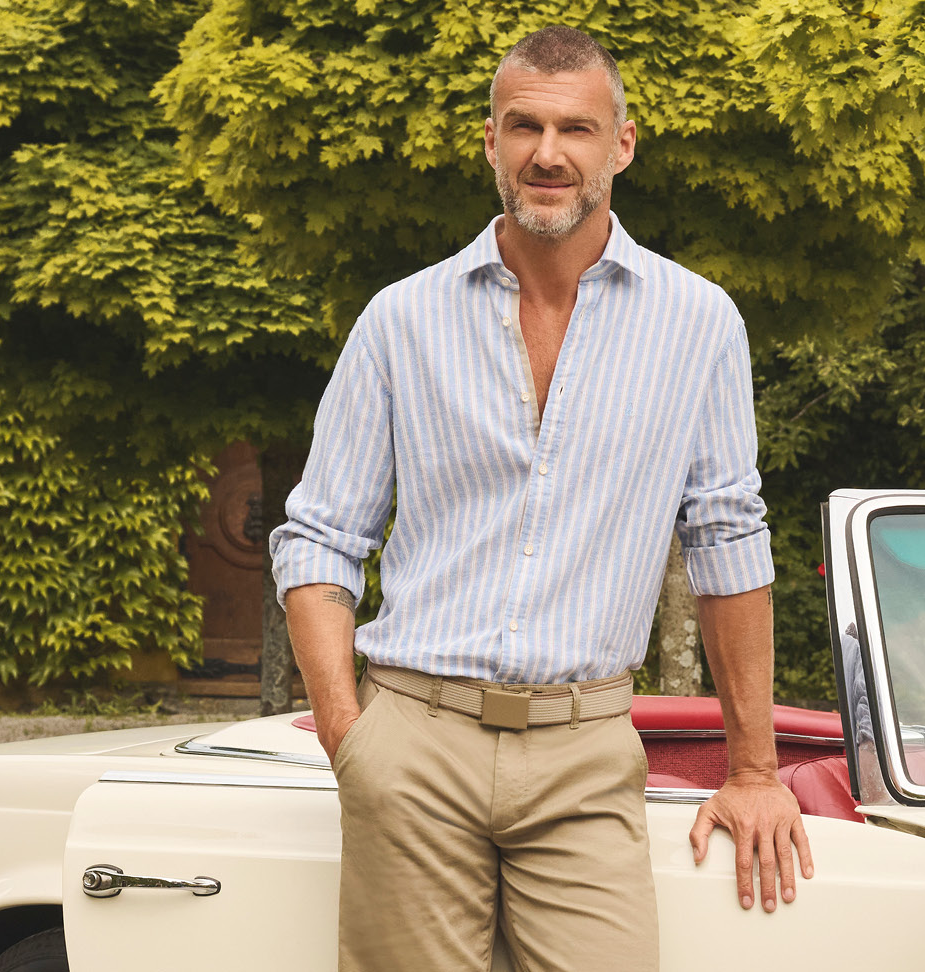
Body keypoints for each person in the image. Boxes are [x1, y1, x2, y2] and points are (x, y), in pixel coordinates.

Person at [267, 24, 811, 972]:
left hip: (586, 746)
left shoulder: (699, 322)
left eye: (575, 129)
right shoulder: (401, 318)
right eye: (524, 126)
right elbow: (318, 537)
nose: (547, 153)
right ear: (491, 142)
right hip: (412, 738)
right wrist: (352, 737)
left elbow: (728, 541)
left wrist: (755, 771)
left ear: (621, 145)